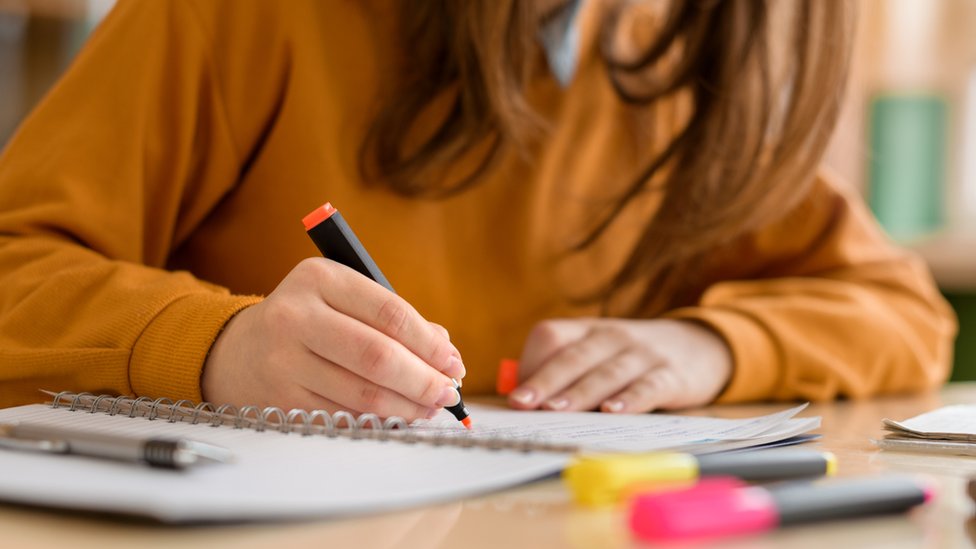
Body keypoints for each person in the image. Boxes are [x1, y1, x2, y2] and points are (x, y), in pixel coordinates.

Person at [0, 1, 956, 418]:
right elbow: (16, 265)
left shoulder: (675, 68)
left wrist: (713, 346)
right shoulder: (242, 14)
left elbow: (906, 313)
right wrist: (219, 347)